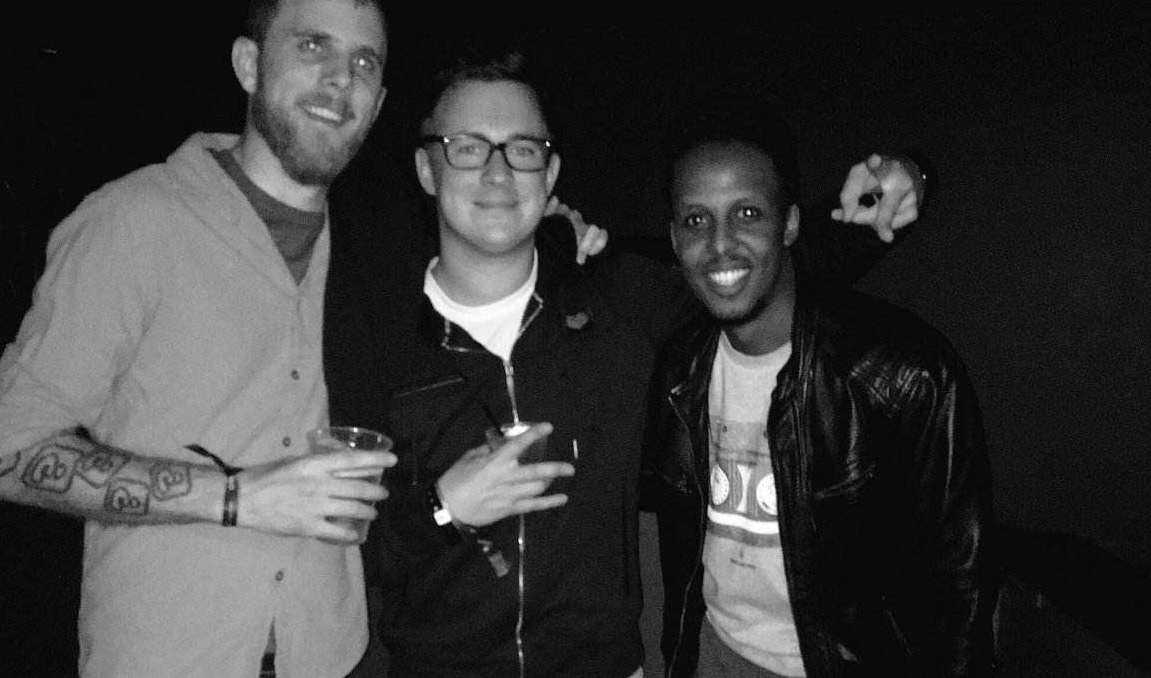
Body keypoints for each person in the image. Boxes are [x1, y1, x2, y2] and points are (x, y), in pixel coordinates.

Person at [359, 50, 930, 677]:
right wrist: (442, 508)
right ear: (426, 168)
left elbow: (751, 268)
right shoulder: (373, 336)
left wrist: (896, 188)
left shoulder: (620, 300)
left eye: (521, 149)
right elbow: (346, 553)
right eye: (468, 148)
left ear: (550, 174)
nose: (498, 173)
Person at [0, 0, 401, 677]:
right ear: (249, 64)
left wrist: (557, 236)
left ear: (378, 103)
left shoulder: (374, 243)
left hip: (333, 653)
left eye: (364, 62)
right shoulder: (132, 222)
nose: (339, 79)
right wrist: (238, 497)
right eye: (312, 46)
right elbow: (2, 455)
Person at [643, 94, 996, 677]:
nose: (720, 242)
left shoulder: (900, 376)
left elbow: (958, 584)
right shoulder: (677, 369)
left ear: (790, 223)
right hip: (715, 655)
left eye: (748, 213)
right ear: (675, 239)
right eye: (696, 220)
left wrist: (911, 174)